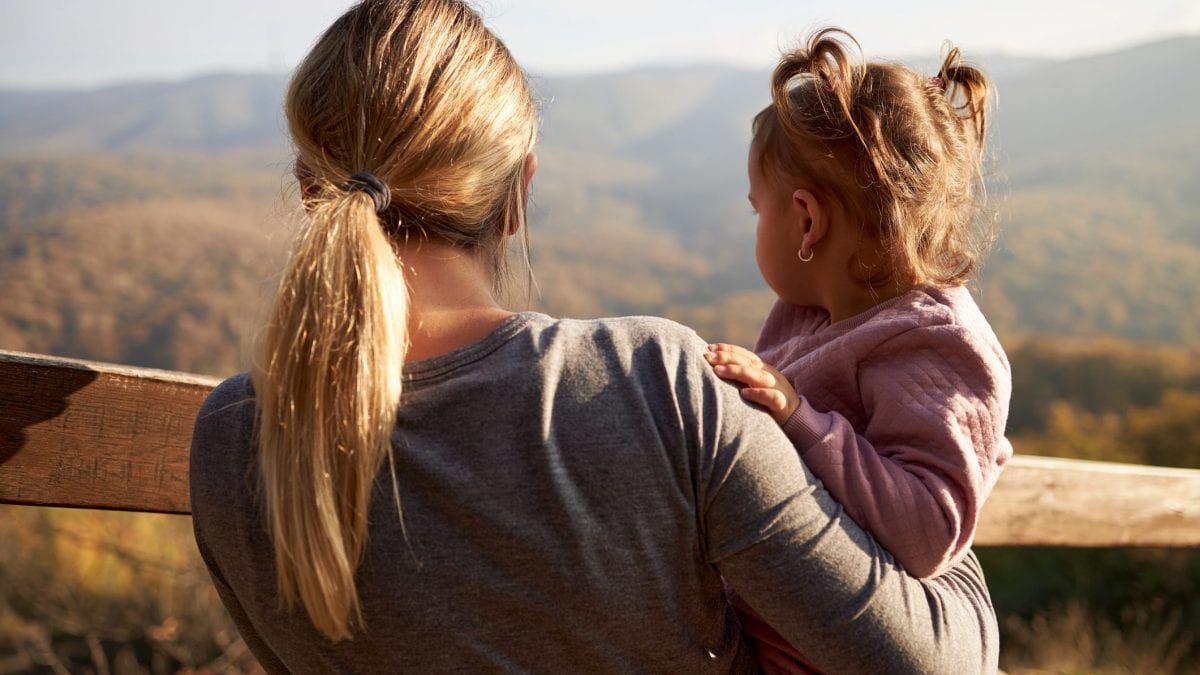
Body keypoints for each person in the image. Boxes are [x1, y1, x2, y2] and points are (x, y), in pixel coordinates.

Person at [189, 2, 1000, 672]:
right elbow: (932, 663)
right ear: (518, 194)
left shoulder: (231, 447)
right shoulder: (656, 391)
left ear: (309, 191)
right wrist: (942, 456)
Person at [704, 28, 1012, 673]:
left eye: (758, 210)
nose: (756, 227)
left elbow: (929, 530)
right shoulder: (812, 312)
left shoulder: (935, 344)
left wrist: (800, 419)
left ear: (807, 220)